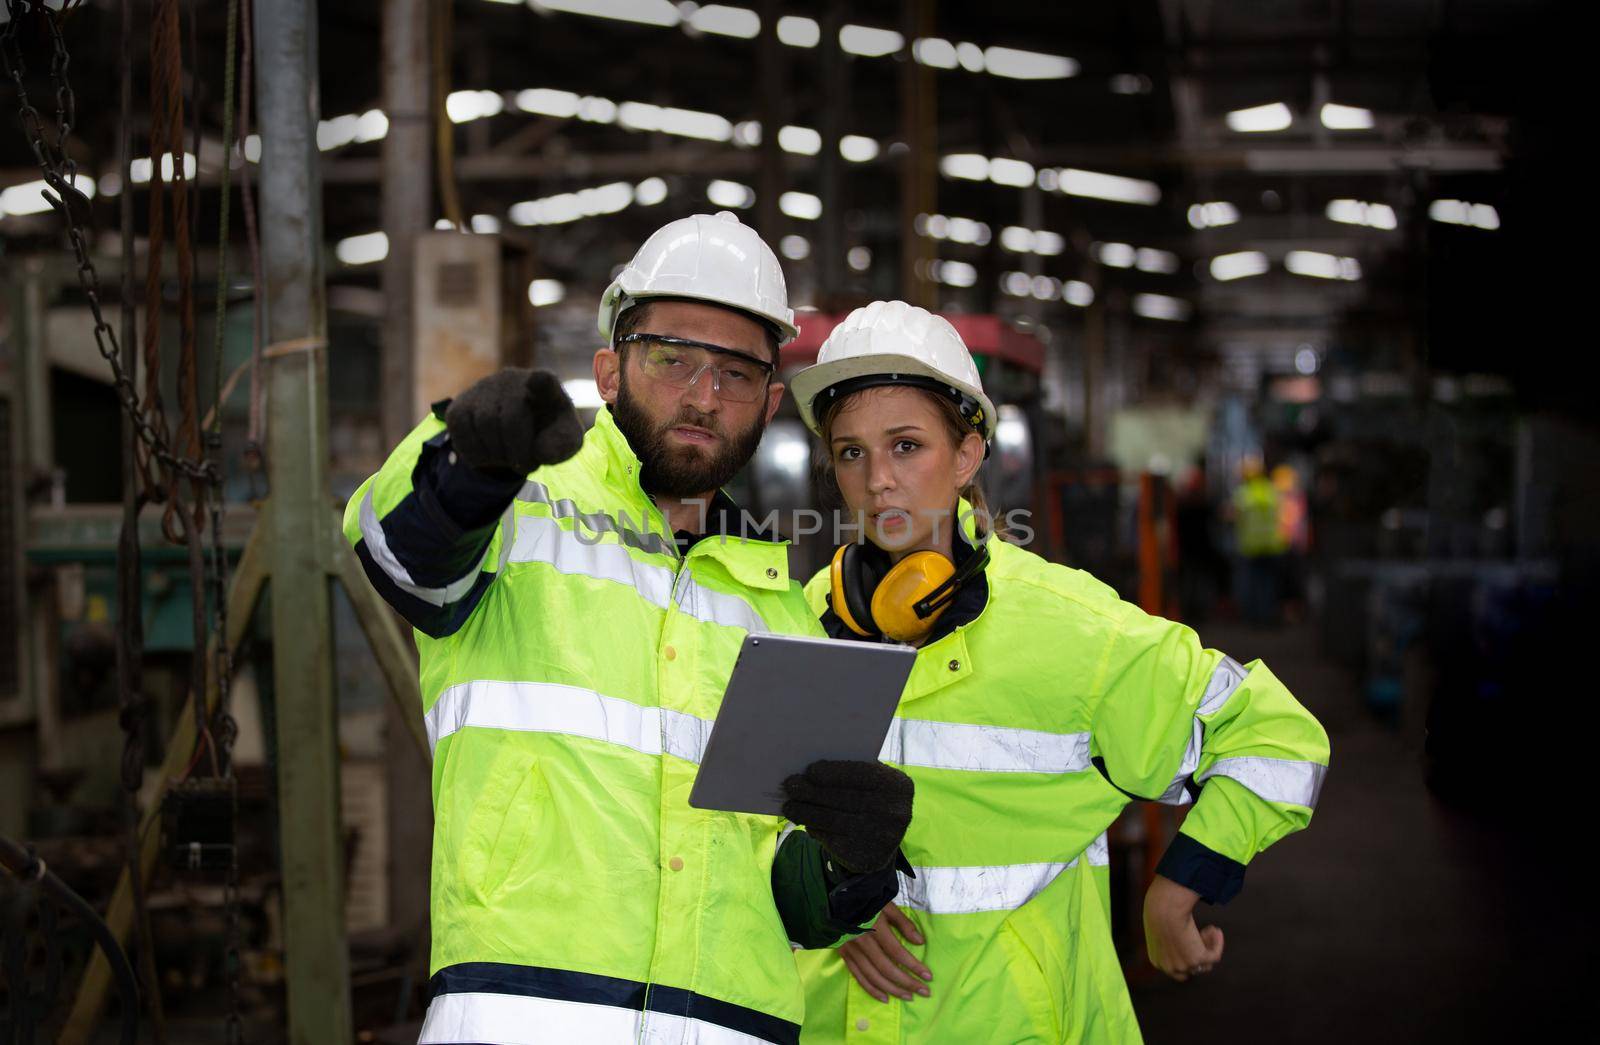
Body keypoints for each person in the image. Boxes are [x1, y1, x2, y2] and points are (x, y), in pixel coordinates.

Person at [343, 214, 915, 1045]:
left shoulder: (778, 610)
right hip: (522, 1016)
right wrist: (470, 461)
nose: (703, 394)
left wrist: (852, 865)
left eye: (736, 373)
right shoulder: (522, 506)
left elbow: (788, 903)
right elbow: (398, 549)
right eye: (672, 358)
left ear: (768, 401)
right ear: (609, 369)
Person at [785, 301, 1330, 1043]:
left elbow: (1275, 737)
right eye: (851, 452)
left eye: (906, 445)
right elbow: (739, 821)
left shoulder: (1073, 629)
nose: (878, 479)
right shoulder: (797, 624)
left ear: (969, 453)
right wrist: (825, 902)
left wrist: (1178, 889)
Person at [1232, 456, 1288, 626]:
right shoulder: (1271, 490)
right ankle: (1267, 616)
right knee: (1268, 585)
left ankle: (1253, 618)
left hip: (1251, 547)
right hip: (1272, 546)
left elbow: (1234, 515)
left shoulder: (1244, 493)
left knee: (1251, 585)